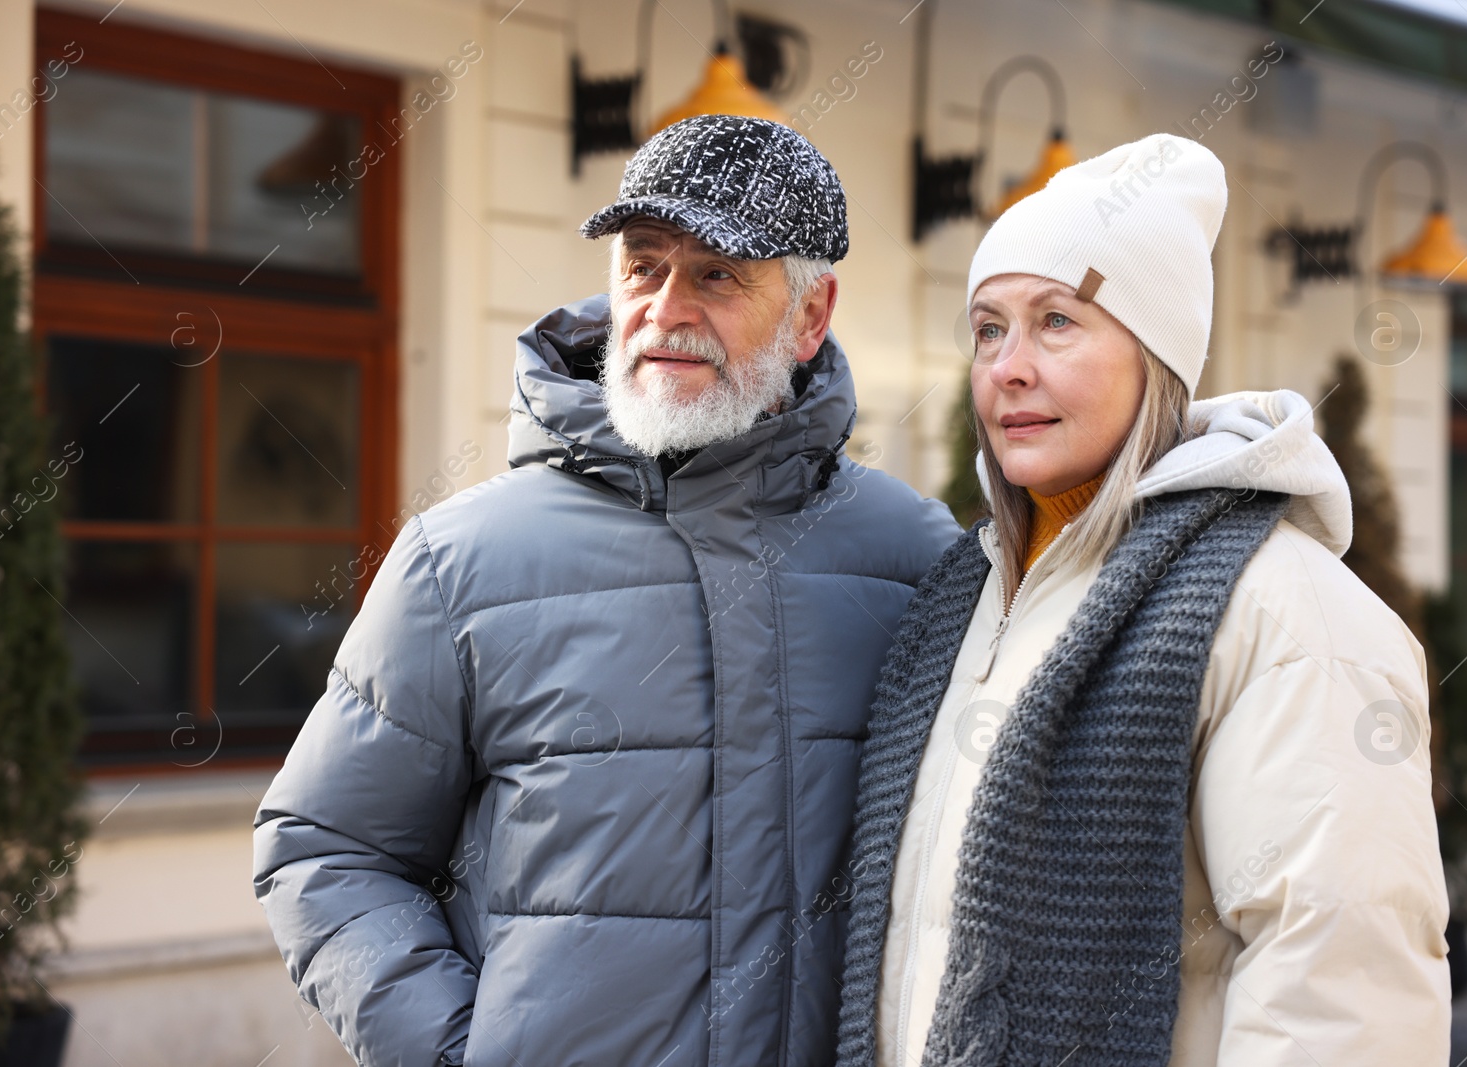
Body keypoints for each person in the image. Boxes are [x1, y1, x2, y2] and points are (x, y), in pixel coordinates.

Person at [253, 115, 959, 1067]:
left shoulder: (917, 556)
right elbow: (326, 848)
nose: (668, 306)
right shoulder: (459, 559)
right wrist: (464, 1050)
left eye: (717, 273)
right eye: (644, 264)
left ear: (811, 315)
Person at [834, 133, 1450, 1066]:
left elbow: (1343, 994)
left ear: (1155, 357)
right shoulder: (963, 599)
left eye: (1057, 321)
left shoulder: (1288, 616)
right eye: (989, 328)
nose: (1006, 366)